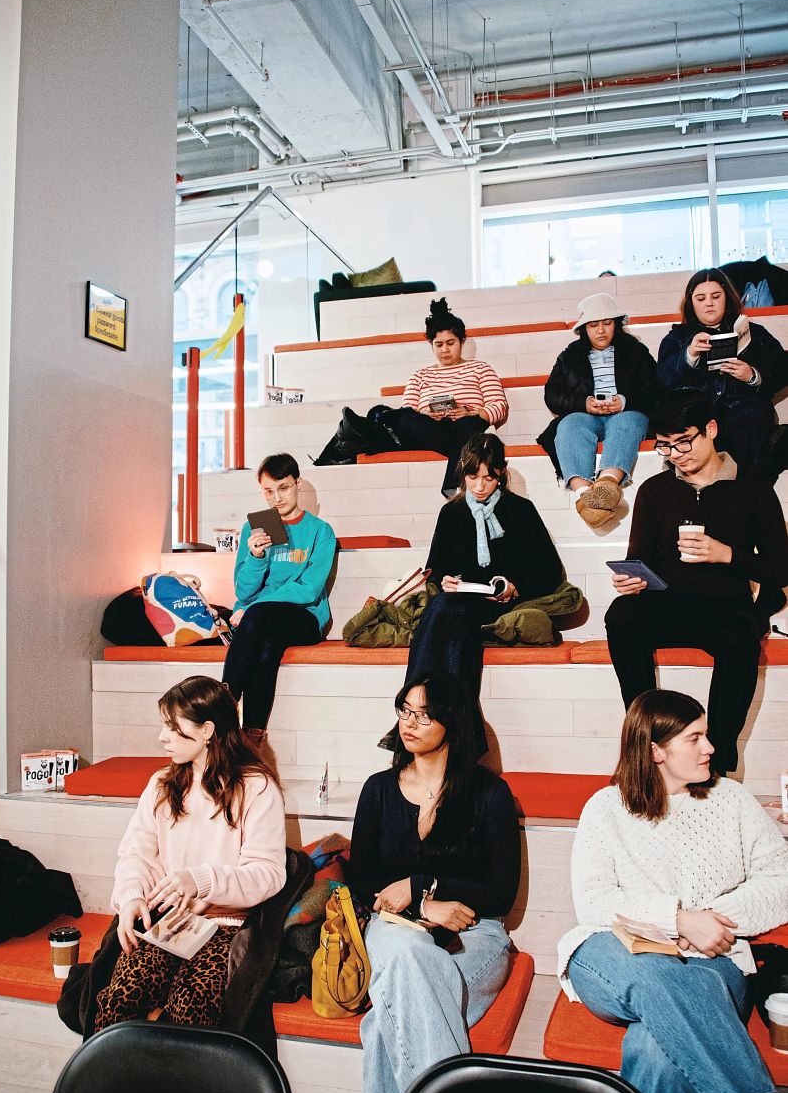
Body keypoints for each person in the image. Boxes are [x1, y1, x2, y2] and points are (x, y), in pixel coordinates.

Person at [558, 688, 788, 1093]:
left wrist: (710, 923)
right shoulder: (605, 807)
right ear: (655, 750)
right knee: (658, 977)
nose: (711, 748)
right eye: (695, 737)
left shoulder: (733, 800)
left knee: (655, 1049)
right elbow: (595, 901)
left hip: (711, 957)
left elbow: (781, 881)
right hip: (613, 954)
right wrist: (680, 919)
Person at [349, 674, 520, 1093]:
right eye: (405, 710)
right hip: (392, 928)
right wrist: (422, 905)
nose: (410, 723)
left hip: (476, 933)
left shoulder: (489, 793)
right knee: (405, 953)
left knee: (386, 1022)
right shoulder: (379, 789)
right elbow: (361, 879)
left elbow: (500, 892)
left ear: (453, 721)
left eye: (424, 714)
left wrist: (421, 886)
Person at [605, 389, 788, 775]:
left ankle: (716, 761)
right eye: (666, 447)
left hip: (725, 604)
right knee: (621, 615)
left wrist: (727, 555)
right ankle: (648, 741)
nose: (677, 454)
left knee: (742, 637)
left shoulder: (752, 487)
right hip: (667, 602)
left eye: (685, 441)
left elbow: (780, 569)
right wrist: (631, 580)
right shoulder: (654, 490)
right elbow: (639, 558)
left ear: (711, 429)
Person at [94, 675, 286, 1031]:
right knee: (119, 999)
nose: (161, 737)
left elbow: (268, 873)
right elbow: (137, 852)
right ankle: (111, 1087)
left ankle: (183, 1088)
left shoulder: (257, 787)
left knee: (192, 1009)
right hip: (168, 921)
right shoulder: (161, 784)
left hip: (227, 926)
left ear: (207, 730)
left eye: (172, 726)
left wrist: (199, 880)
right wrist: (132, 896)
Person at [400, 432, 565, 752]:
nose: (479, 486)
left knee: (445, 613)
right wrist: (444, 581)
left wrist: (515, 586)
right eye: (472, 477)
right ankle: (458, 730)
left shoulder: (521, 510)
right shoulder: (451, 512)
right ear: (463, 474)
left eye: (488, 478)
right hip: (458, 600)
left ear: (501, 474)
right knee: (446, 608)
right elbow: (434, 568)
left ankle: (413, 714)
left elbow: (549, 572)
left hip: (498, 601)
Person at [336, 297, 508, 496]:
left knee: (471, 428)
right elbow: (407, 410)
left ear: (461, 341)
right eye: (439, 344)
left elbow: (499, 405)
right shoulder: (419, 375)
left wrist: (471, 412)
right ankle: (457, 475)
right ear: (431, 345)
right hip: (429, 428)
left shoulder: (480, 368)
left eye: (450, 343)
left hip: (466, 424)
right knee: (404, 418)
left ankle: (452, 482)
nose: (445, 350)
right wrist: (425, 413)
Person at [222, 452, 336, 744]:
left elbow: (309, 589)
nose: (276, 498)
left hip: (305, 617)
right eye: (268, 491)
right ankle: (253, 737)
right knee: (268, 645)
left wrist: (253, 608)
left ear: (297, 484)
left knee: (259, 618)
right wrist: (257, 556)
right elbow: (243, 592)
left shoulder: (320, 532)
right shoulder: (256, 528)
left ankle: (222, 705)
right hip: (260, 623)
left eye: (283, 488)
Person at [537, 292, 658, 528]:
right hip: (586, 415)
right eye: (593, 325)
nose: (601, 330)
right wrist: (583, 403)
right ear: (585, 328)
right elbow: (552, 395)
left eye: (607, 323)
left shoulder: (635, 350)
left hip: (624, 412)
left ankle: (606, 484)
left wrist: (624, 401)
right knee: (569, 425)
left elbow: (654, 387)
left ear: (616, 324)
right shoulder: (569, 355)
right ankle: (585, 494)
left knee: (629, 422)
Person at [657, 267, 788, 472]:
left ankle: (744, 490)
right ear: (691, 303)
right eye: (700, 298)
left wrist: (752, 375)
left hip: (744, 409)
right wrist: (689, 355)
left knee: (747, 419)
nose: (709, 303)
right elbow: (663, 382)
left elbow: (782, 369)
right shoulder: (677, 338)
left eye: (716, 296)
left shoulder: (755, 332)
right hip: (698, 409)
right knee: (699, 427)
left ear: (726, 298)